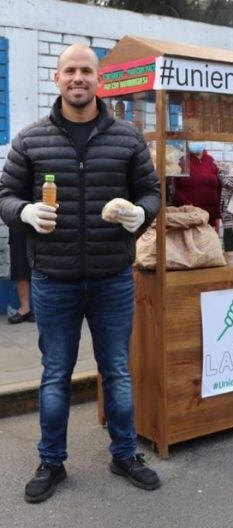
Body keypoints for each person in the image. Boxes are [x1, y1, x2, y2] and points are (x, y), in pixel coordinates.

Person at [0, 44, 162, 503]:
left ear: (99, 81)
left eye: (86, 71)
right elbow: (5, 195)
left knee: (117, 370)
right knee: (55, 373)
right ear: (57, 79)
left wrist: (141, 214)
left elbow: (151, 192)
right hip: (54, 278)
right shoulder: (31, 140)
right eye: (69, 70)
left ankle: (125, 454)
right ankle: (51, 461)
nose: (78, 77)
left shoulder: (127, 139)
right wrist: (25, 211)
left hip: (112, 277)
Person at [173, 142, 221, 230]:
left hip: (210, 216)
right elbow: (173, 188)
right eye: (193, 141)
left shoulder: (210, 160)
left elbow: (218, 187)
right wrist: (187, 205)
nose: (196, 143)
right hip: (190, 217)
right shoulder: (182, 161)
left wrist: (217, 215)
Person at [7, 229, 34, 323]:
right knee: (19, 263)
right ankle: (25, 308)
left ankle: (40, 308)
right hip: (18, 222)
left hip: (44, 221)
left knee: (45, 263)